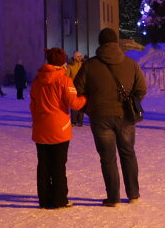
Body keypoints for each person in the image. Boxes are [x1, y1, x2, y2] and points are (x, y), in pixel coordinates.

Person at [74, 28, 146, 206]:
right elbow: (141, 89)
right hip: (125, 116)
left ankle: (113, 198)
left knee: (108, 157)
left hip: (100, 116)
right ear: (116, 42)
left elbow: (78, 90)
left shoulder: (90, 65)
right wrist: (131, 101)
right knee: (128, 154)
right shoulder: (131, 64)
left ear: (100, 43)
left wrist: (91, 106)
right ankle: (133, 194)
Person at [29, 47, 86, 209]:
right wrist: (85, 98)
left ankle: (45, 199)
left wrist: (38, 119)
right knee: (59, 165)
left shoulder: (37, 80)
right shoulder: (64, 80)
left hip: (41, 128)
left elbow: (33, 105)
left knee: (43, 165)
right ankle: (60, 199)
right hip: (59, 129)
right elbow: (73, 103)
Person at [67, 51, 86, 126]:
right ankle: (74, 121)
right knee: (74, 104)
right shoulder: (70, 66)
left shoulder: (84, 65)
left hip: (82, 87)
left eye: (80, 56)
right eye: (78, 56)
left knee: (81, 104)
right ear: (74, 57)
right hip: (73, 88)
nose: (80, 57)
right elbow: (67, 77)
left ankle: (80, 121)